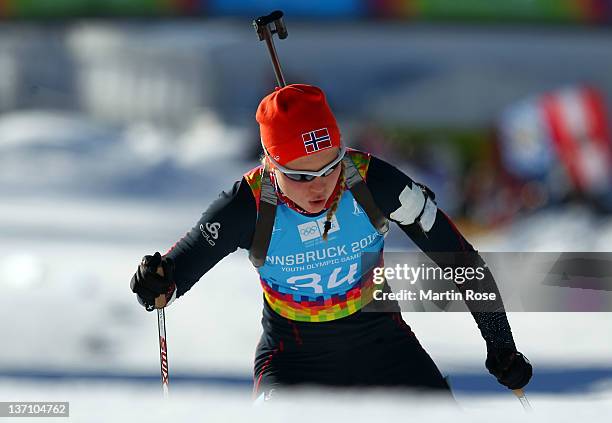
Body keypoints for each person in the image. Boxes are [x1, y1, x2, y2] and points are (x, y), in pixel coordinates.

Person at [130, 84, 532, 402]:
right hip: (294, 360)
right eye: (301, 177)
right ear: (271, 165)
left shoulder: (373, 182)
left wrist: (502, 345)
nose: (320, 186)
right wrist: (156, 281)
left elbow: (461, 260)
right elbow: (174, 274)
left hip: (385, 348)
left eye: (330, 166)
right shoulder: (247, 205)